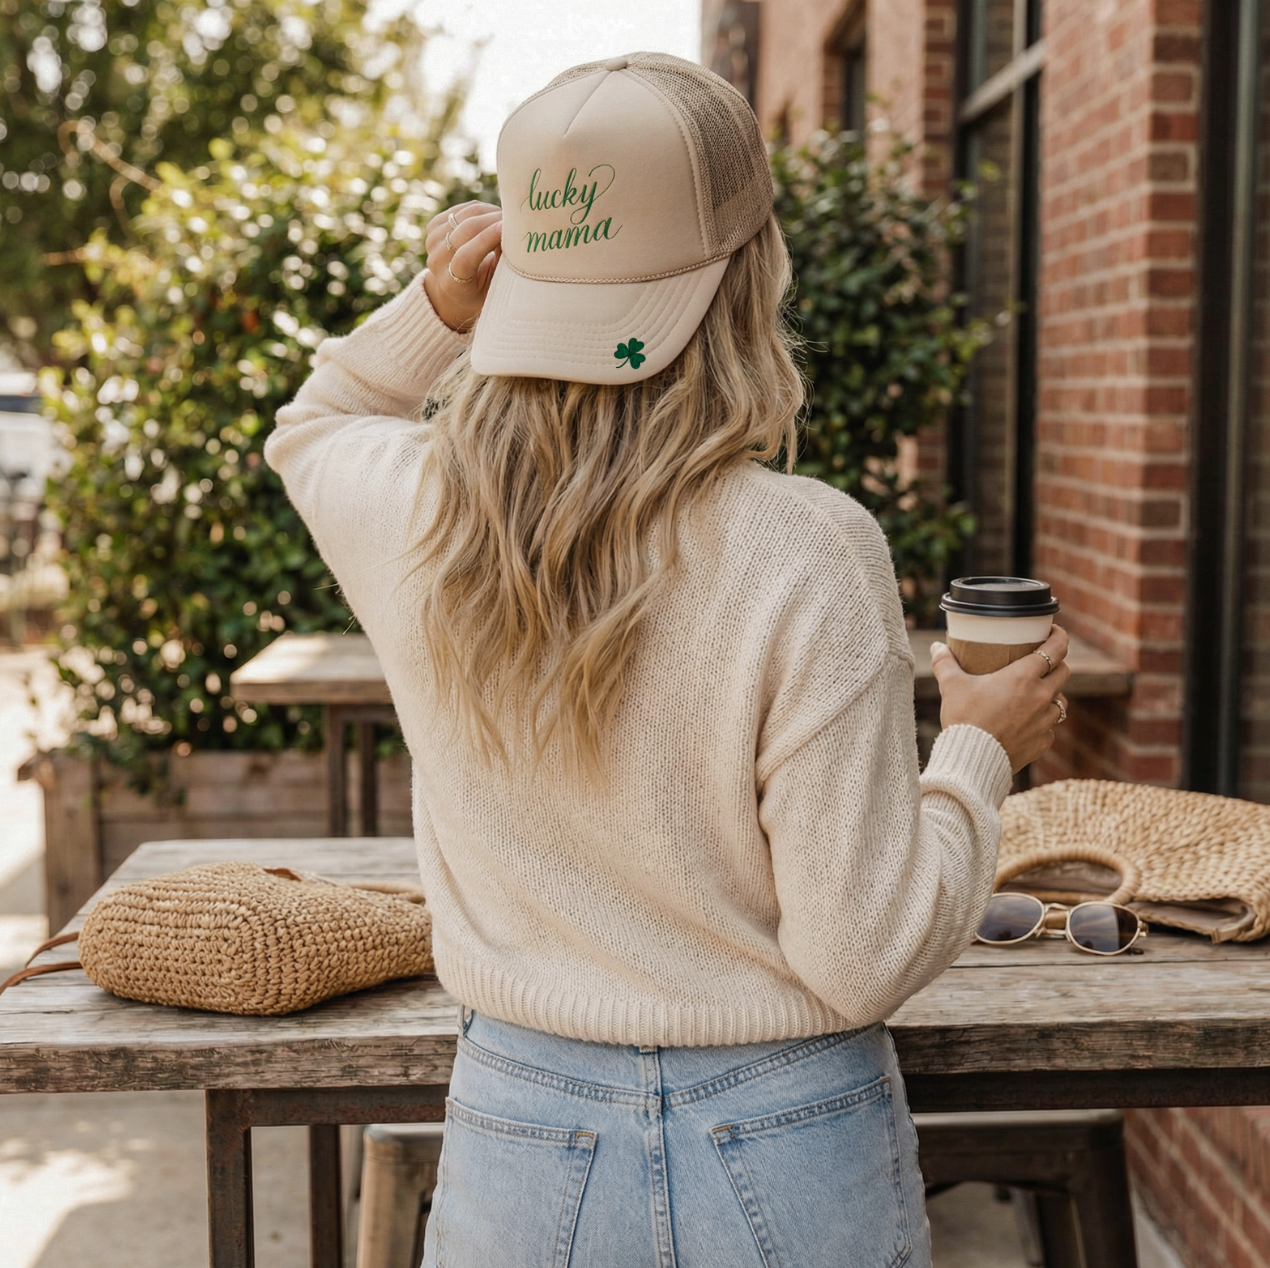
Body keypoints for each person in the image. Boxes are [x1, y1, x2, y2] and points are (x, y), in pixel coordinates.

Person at [266, 51, 1069, 1268]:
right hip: (789, 1138)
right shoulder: (808, 545)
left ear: (522, 271)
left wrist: (435, 312)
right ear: (749, 272)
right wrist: (977, 750)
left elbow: (316, 423)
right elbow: (862, 954)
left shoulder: (419, 517)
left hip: (518, 1129)